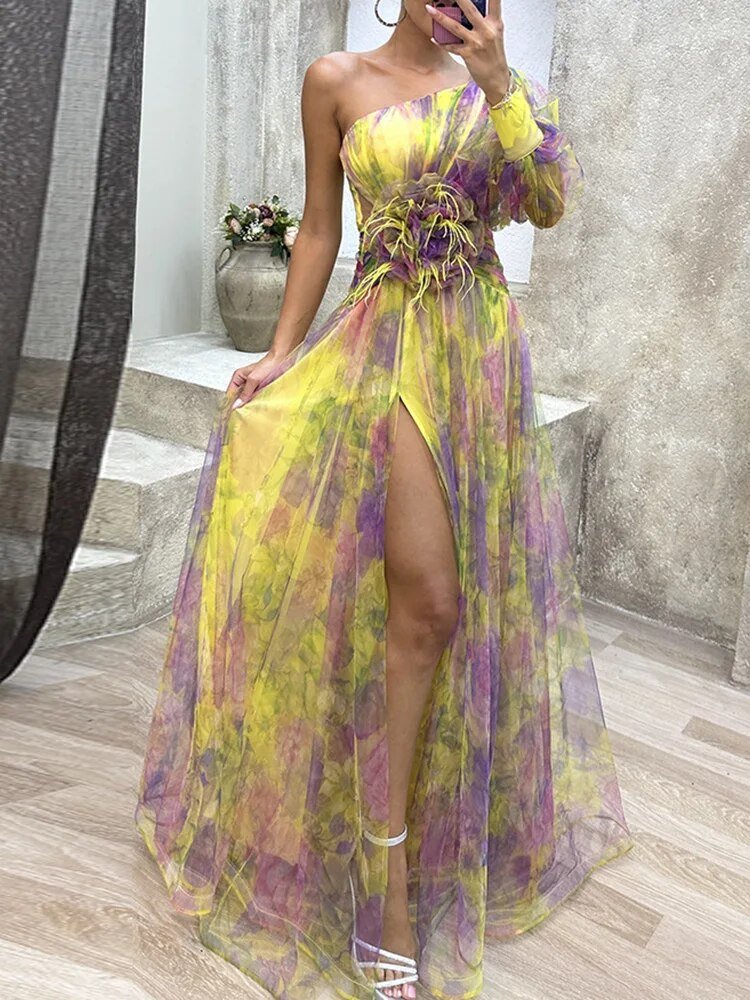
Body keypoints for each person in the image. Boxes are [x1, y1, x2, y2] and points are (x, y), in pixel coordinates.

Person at [134, 2, 635, 998]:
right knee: (430, 602)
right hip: (388, 340)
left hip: (481, 353)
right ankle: (385, 865)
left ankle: (429, 818)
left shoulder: (500, 86)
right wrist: (282, 349)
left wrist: (498, 82)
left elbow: (547, 202)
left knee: (457, 608)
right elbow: (321, 226)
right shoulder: (336, 79)